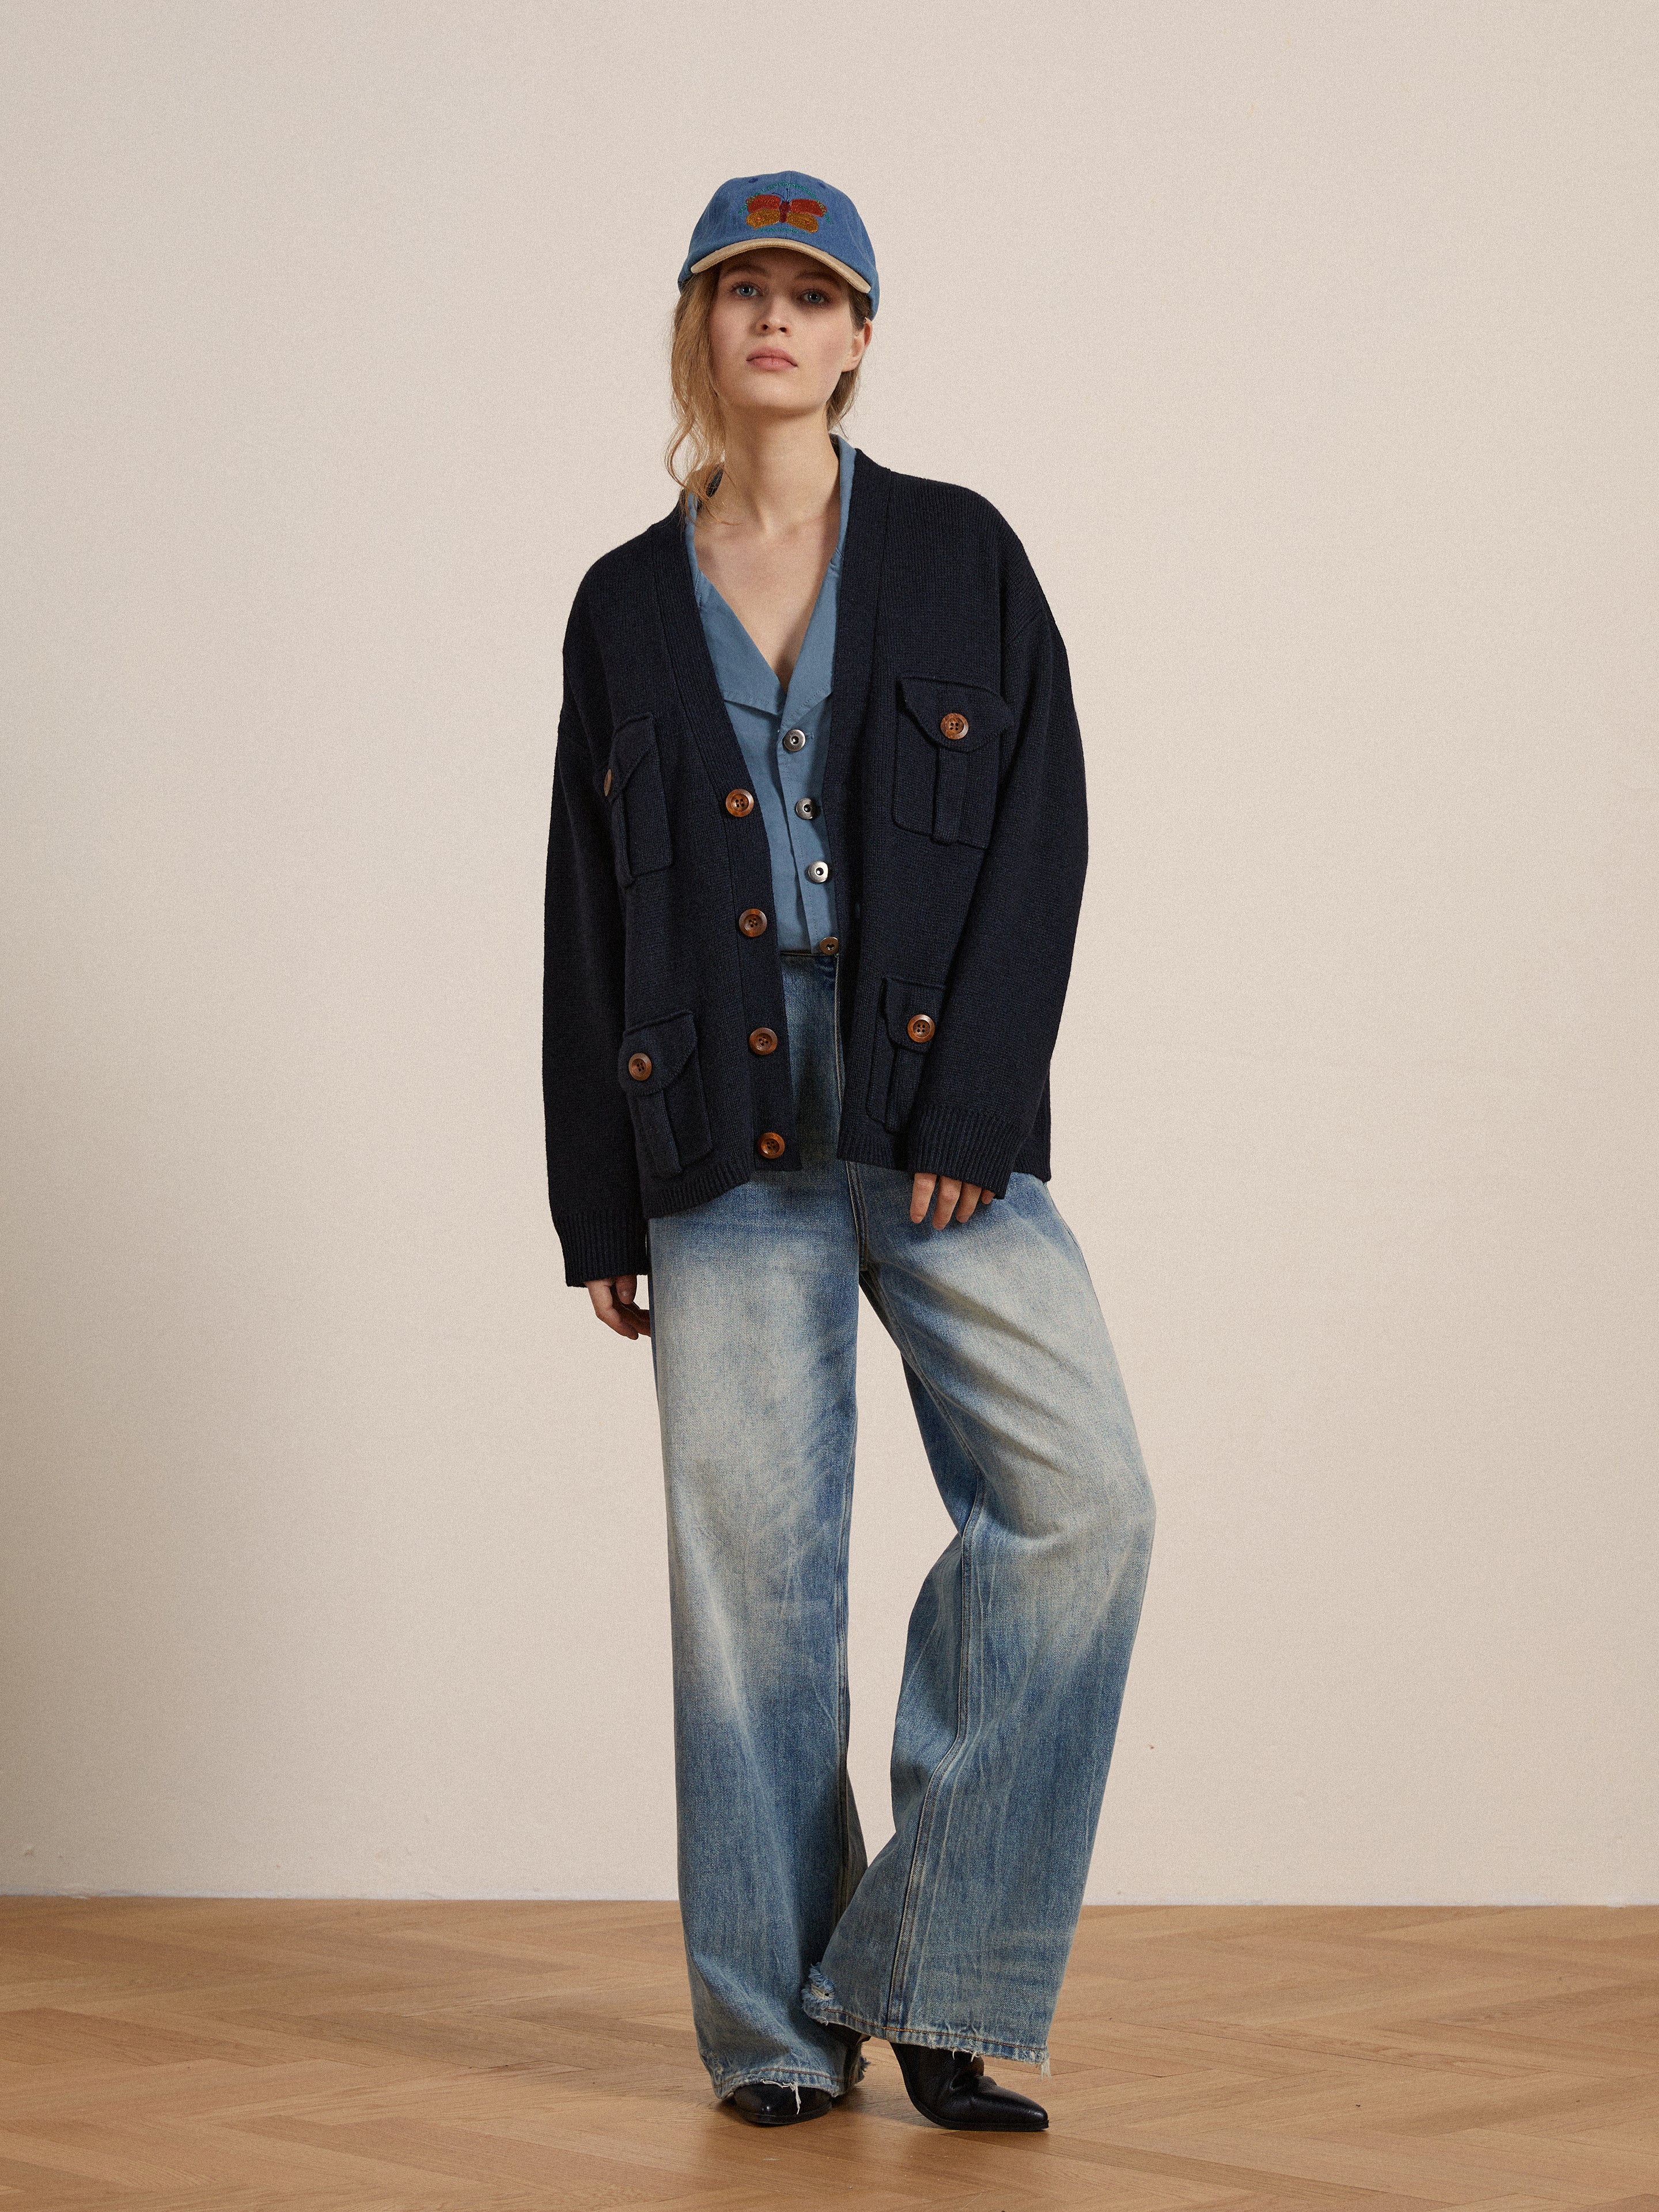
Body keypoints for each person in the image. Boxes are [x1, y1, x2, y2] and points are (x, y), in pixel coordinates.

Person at [541, 170, 1156, 2133]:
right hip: (712, 1131)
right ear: (703, 331)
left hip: (926, 1119)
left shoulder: (966, 557)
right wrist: (595, 1194)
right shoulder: (624, 606)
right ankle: (778, 2032)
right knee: (752, 1595)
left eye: (815, 293)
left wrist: (976, 1102)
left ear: (865, 334)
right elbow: (579, 912)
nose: (779, 323)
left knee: (1085, 1501)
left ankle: (938, 1967)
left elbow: (1044, 830)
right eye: (746, 291)